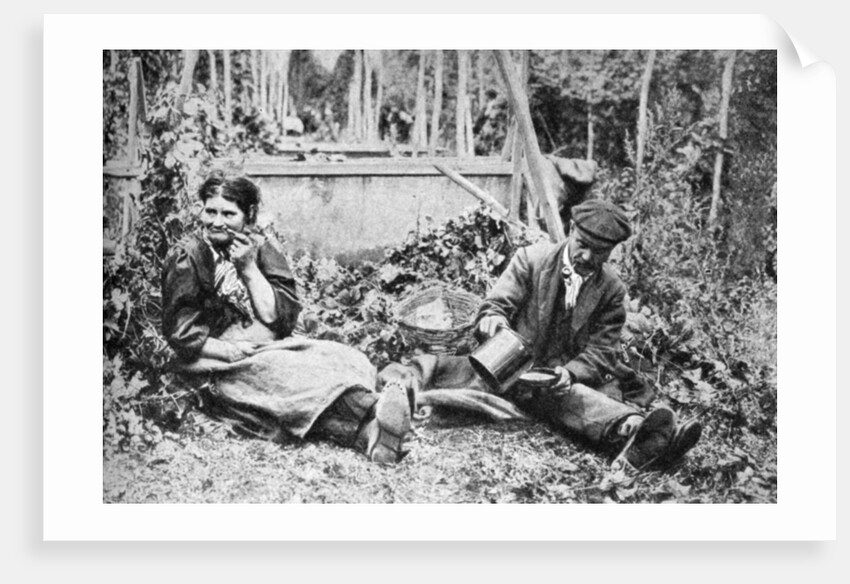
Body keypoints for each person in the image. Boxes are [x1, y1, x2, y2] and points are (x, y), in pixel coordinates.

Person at [379, 199, 702, 470]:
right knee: (436, 367)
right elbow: (495, 306)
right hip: (506, 370)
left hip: (556, 381)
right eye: (582, 245)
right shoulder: (530, 260)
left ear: (612, 251)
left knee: (576, 398)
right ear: (571, 230)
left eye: (599, 252)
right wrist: (494, 322)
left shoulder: (612, 290)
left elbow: (602, 350)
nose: (587, 257)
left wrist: (569, 373)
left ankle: (635, 432)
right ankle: (396, 393)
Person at [161, 173, 412, 463]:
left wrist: (249, 269)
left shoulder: (259, 248)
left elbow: (278, 319)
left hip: (266, 345)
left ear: (248, 216)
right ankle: (374, 409)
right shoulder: (188, 255)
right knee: (289, 378)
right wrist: (231, 351)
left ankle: (372, 436)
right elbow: (181, 333)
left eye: (228, 214)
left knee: (341, 357)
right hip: (214, 360)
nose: (217, 222)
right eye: (210, 211)